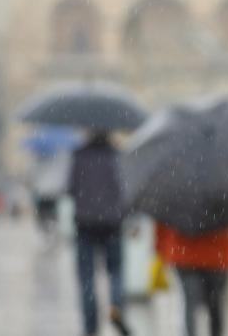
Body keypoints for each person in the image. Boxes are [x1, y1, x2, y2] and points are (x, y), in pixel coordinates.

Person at [67, 130, 132, 336]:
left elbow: (69, 188)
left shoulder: (78, 155)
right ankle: (115, 307)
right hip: (113, 223)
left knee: (86, 276)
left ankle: (90, 326)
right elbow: (126, 188)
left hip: (85, 223)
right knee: (116, 271)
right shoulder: (118, 155)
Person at [154, 221, 228, 336]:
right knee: (214, 306)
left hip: (187, 254)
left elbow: (163, 219)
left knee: (192, 304)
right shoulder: (222, 204)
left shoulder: (180, 204)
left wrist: (160, 248)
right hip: (216, 254)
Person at [29, 150, 71, 242]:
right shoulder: (57, 161)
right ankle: (50, 232)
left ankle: (47, 233)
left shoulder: (39, 162)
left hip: (43, 193)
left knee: (44, 216)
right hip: (52, 193)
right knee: (51, 215)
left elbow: (33, 177)